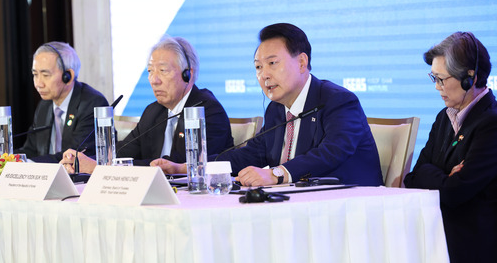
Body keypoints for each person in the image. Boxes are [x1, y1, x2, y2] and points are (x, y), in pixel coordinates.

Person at [153, 23, 383, 187]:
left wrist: (275, 174)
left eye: (272, 63)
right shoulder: (276, 109)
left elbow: (331, 152)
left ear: (302, 62)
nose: (264, 75)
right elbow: (248, 155)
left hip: (350, 206)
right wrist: (186, 168)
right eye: (258, 67)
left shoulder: (337, 101)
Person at [60, 36, 234, 173]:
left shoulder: (207, 110)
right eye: (150, 71)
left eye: (163, 71)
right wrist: (85, 161)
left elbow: (176, 165)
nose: (153, 80)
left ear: (187, 74)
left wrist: (103, 168)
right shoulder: (153, 111)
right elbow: (123, 152)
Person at [404, 32, 497, 263]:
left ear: (470, 78)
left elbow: (456, 192)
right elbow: (414, 177)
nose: (437, 87)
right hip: (438, 236)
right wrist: (444, 177)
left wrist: (434, 176)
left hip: (473, 245)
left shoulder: (491, 123)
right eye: (433, 78)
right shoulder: (444, 117)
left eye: (441, 79)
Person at [16, 41, 109, 162]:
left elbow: (72, 156)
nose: (38, 83)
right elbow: (30, 150)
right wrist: (6, 160)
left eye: (45, 75)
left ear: (68, 76)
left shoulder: (92, 104)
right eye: (35, 74)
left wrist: (30, 164)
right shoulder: (44, 106)